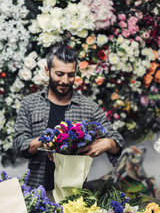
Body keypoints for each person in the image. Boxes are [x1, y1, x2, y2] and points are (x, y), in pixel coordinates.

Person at [13, 42, 125, 190]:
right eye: (59, 74)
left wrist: (109, 143)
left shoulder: (89, 107)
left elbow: (117, 141)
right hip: (36, 191)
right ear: (47, 70)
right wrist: (44, 141)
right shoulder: (30, 103)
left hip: (74, 193)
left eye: (70, 75)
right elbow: (18, 145)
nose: (65, 81)